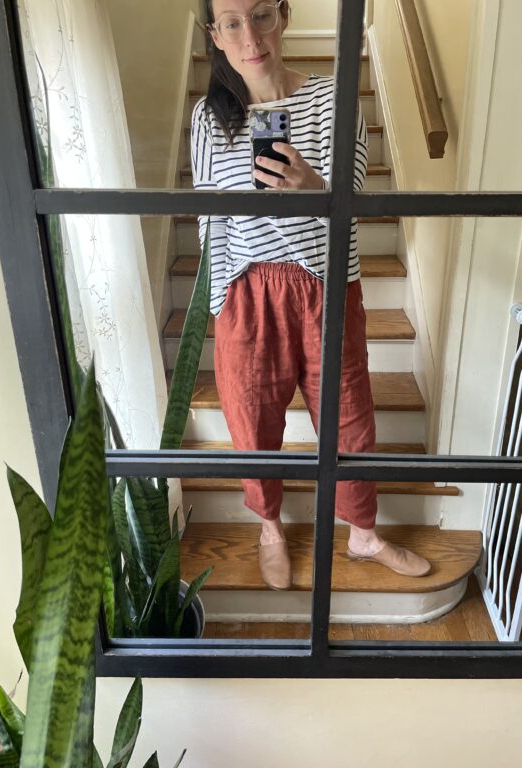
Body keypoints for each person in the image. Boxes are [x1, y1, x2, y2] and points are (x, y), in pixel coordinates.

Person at [191, 0, 431, 590]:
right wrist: (220, 300)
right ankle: (270, 527)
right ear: (215, 36)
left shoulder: (334, 100)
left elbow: (348, 211)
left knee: (349, 417)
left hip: (324, 283)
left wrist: (314, 188)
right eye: (232, 23)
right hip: (246, 292)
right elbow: (206, 216)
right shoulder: (207, 115)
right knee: (252, 418)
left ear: (285, 15)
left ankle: (364, 534)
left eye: (262, 15)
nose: (251, 35)